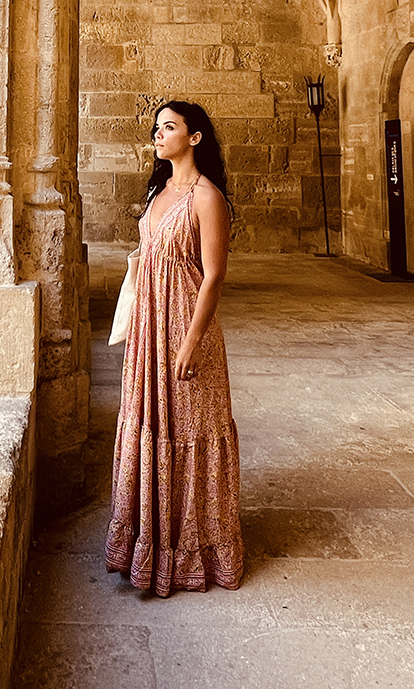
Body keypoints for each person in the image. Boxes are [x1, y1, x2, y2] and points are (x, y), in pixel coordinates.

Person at [105, 100, 244, 596]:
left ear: (195, 137)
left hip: (186, 325)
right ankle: (148, 539)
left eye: (169, 128)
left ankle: (191, 551)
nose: (158, 136)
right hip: (150, 325)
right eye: (156, 128)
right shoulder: (160, 189)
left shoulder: (207, 198)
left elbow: (214, 278)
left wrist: (191, 342)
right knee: (151, 424)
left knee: (189, 427)